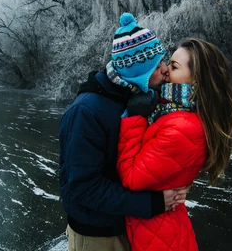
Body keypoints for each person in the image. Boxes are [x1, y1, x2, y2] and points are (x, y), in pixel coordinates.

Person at [59, 13, 190, 251]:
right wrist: (153, 203)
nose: (164, 70)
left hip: (132, 225)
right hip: (98, 236)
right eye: (157, 64)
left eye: (165, 61)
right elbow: (83, 189)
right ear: (139, 71)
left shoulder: (138, 98)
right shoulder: (87, 111)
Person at [117, 38, 232, 251]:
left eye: (174, 67)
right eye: (167, 63)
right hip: (159, 230)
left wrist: (134, 118)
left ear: (196, 81)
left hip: (157, 238)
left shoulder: (182, 127)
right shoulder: (171, 112)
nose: (165, 71)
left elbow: (131, 178)